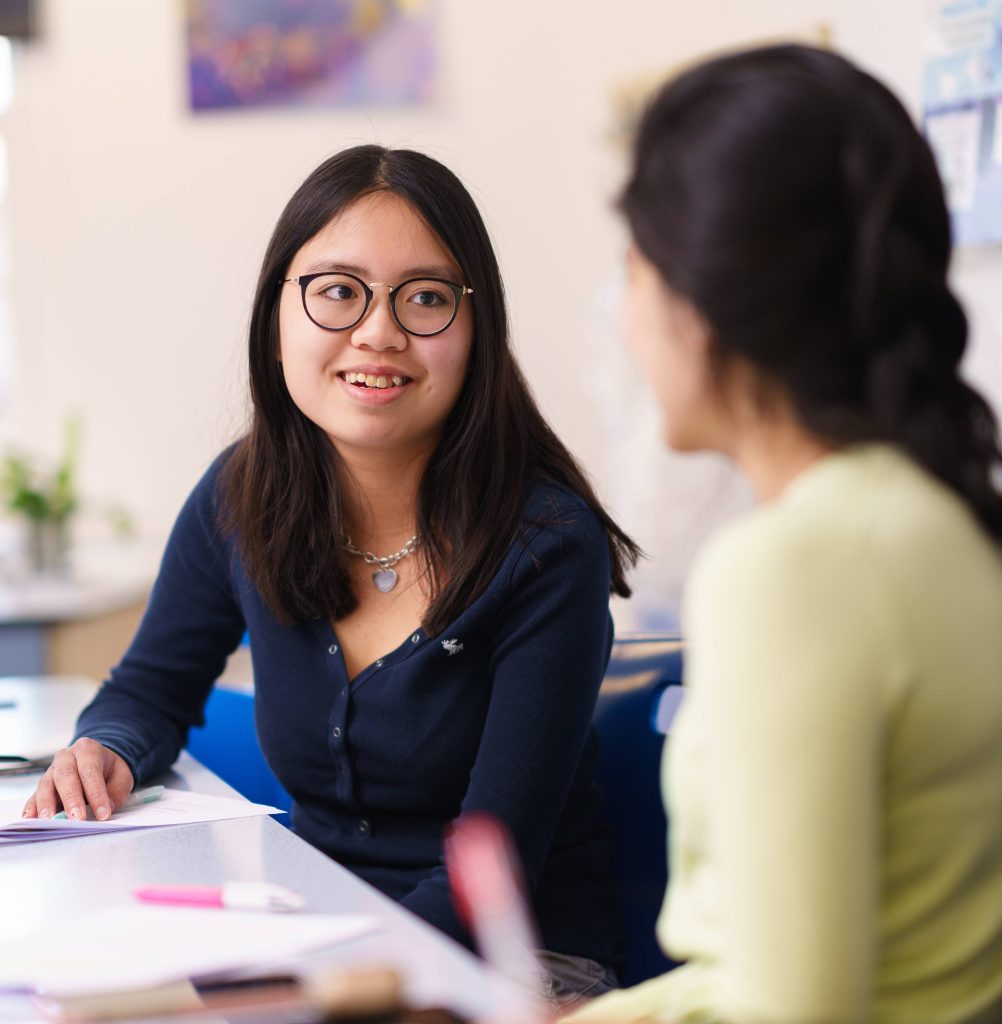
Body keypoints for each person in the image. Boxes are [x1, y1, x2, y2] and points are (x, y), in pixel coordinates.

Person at [24, 145, 639, 1003]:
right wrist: (106, 750)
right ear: (279, 315)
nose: (378, 332)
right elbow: (149, 690)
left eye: (425, 298)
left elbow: (488, 865)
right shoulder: (241, 496)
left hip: (513, 962)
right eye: (338, 291)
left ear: (477, 329)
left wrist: (308, 981)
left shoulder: (543, 545)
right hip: (318, 932)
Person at [568, 45, 1002, 1024]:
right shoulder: (960, 515)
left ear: (701, 304)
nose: (625, 315)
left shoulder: (791, 570)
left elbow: (793, 1007)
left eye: (634, 270)